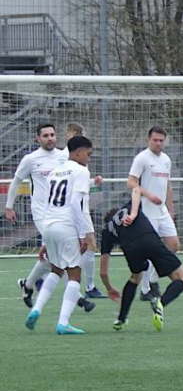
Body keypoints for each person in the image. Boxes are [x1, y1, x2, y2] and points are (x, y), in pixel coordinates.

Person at [4, 124, 96, 312]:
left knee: (52, 257)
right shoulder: (31, 159)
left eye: (53, 134)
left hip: (59, 214)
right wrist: (8, 206)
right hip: (41, 214)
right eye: (45, 135)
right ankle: (78, 298)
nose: (50, 138)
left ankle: (28, 284)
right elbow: (16, 182)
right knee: (58, 256)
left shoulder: (63, 156)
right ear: (38, 138)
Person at [24, 136, 97, 335]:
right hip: (66, 226)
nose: (88, 159)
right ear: (78, 152)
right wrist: (84, 234)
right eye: (88, 154)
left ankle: (36, 309)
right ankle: (63, 323)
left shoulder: (55, 171)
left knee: (56, 270)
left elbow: (47, 203)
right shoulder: (81, 171)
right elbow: (76, 204)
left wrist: (45, 240)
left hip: (49, 224)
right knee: (74, 274)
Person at [99, 186, 183, 332]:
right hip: (149, 239)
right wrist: (145, 201)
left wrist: (109, 288)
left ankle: (121, 319)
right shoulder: (128, 206)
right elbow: (136, 189)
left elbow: (103, 272)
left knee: (135, 277)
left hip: (130, 249)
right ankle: (161, 302)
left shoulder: (106, 231)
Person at [128, 125, 179, 301]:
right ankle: (145, 289)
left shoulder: (166, 159)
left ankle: (153, 279)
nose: (158, 143)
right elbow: (131, 182)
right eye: (155, 140)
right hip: (146, 212)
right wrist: (148, 194)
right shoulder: (142, 158)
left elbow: (168, 185)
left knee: (173, 245)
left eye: (161, 141)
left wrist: (170, 208)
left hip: (162, 211)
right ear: (148, 140)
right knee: (151, 250)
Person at [60, 123, 107, 299]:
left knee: (85, 247)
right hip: (73, 209)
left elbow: (76, 184)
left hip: (79, 208)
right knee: (78, 248)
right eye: (74, 134)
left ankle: (86, 287)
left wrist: (93, 182)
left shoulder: (78, 158)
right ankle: (84, 288)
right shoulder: (65, 157)